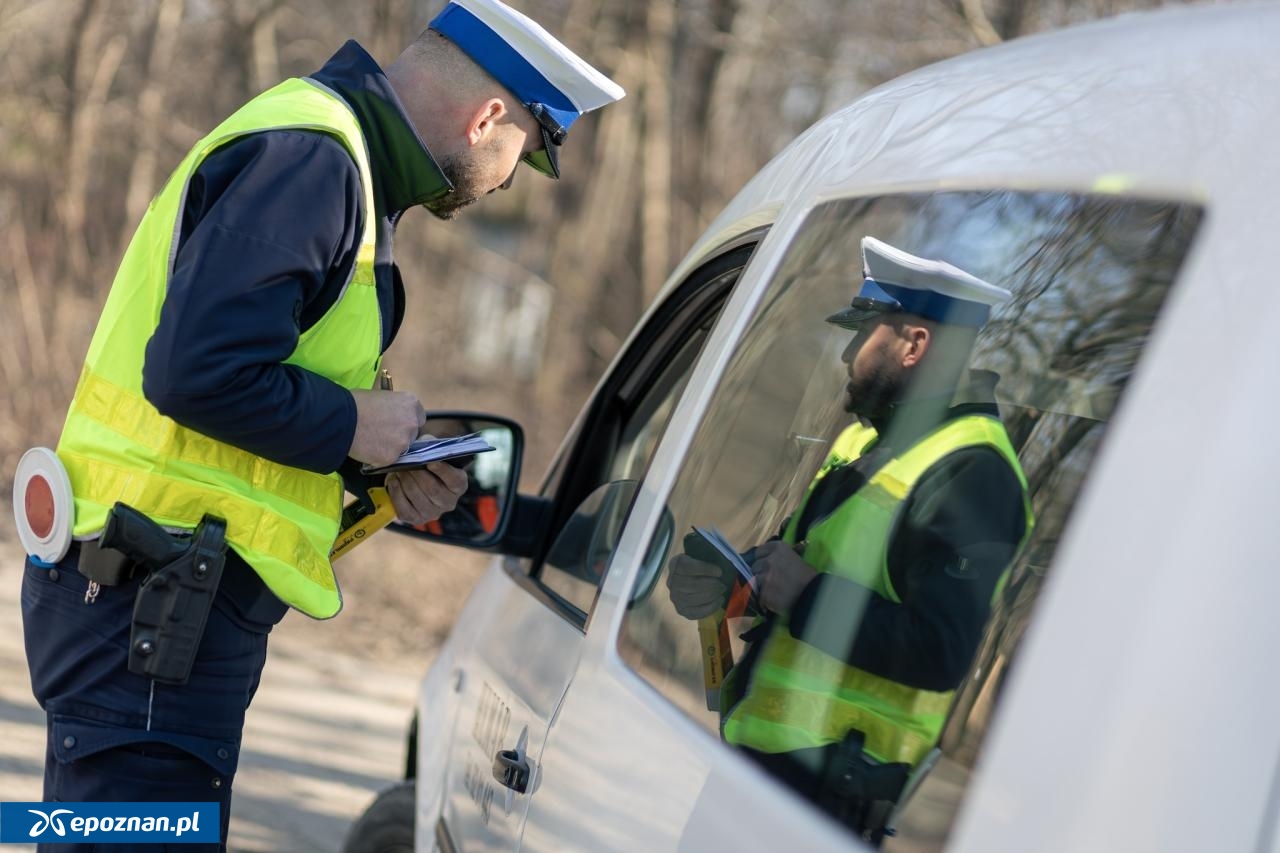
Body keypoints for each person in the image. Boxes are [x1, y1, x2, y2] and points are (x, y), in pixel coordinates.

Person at [18, 0, 623, 848]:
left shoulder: (338, 164)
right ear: (488, 116)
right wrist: (350, 422)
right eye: (524, 149)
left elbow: (245, 388)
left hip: (159, 600)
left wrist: (374, 465)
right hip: (152, 604)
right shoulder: (316, 159)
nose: (511, 178)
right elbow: (195, 373)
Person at [667, 236, 1033, 840]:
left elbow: (942, 650)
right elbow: (790, 583)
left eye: (862, 333)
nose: (844, 355)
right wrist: (730, 587)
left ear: (915, 344)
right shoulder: (860, 445)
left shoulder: (974, 472)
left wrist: (808, 596)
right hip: (755, 775)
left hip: (826, 806)